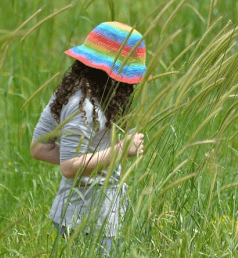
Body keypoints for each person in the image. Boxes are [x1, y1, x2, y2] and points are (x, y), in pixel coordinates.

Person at [30, 21, 147, 256]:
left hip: (80, 213)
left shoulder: (75, 94)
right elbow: (69, 167)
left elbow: (39, 148)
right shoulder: (82, 106)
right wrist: (120, 150)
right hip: (87, 218)